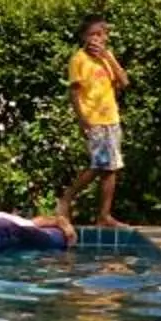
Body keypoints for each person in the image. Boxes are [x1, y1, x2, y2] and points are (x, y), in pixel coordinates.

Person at [59, 15, 128, 226]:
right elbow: (74, 93)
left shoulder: (107, 58)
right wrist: (83, 121)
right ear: (84, 37)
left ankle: (104, 216)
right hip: (93, 120)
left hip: (112, 119)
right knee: (99, 165)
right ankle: (66, 198)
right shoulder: (78, 59)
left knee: (111, 168)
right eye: (93, 34)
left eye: (102, 34)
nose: (98, 38)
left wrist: (109, 58)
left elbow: (124, 82)